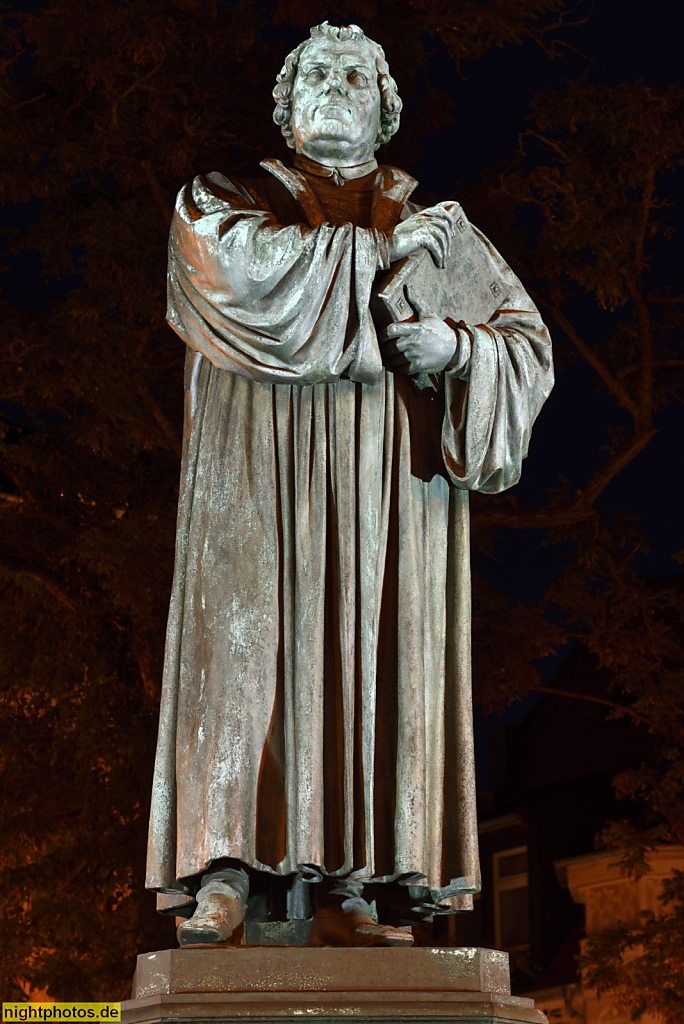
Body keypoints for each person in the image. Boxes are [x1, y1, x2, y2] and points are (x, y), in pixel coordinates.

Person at [145, 21, 553, 948]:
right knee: (249, 658)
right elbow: (242, 280)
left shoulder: (439, 229)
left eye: (356, 76)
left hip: (389, 501)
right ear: (286, 105)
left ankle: (356, 883)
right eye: (316, 74)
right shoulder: (223, 199)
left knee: (369, 658)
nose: (335, 86)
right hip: (257, 489)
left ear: (385, 107)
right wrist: (387, 263)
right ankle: (226, 869)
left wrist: (456, 347)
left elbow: (526, 348)